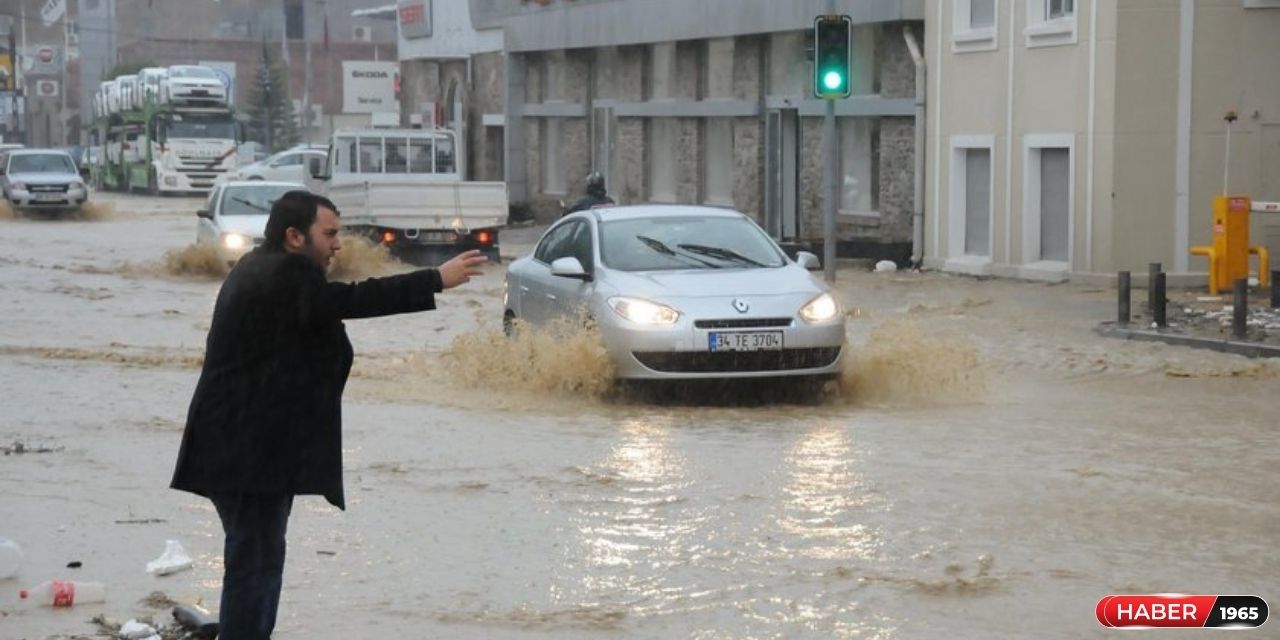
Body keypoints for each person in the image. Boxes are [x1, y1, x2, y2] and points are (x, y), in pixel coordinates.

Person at [169, 190, 486, 640]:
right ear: (295, 236)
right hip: (243, 452)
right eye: (330, 234)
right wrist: (435, 278)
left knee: (259, 554)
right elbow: (351, 301)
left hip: (248, 448)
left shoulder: (262, 266)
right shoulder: (284, 275)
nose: (338, 244)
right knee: (253, 558)